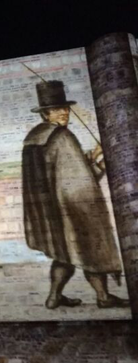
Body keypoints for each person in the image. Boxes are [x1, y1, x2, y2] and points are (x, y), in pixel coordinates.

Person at [22, 80, 128, 309]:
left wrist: (93, 154)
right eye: (57, 110)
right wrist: (104, 163)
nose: (64, 113)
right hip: (73, 206)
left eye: (66, 109)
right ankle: (103, 297)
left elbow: (59, 167)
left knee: (64, 254)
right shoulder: (62, 136)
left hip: (50, 210)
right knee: (90, 251)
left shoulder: (34, 137)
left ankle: (53, 297)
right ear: (46, 114)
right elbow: (80, 179)